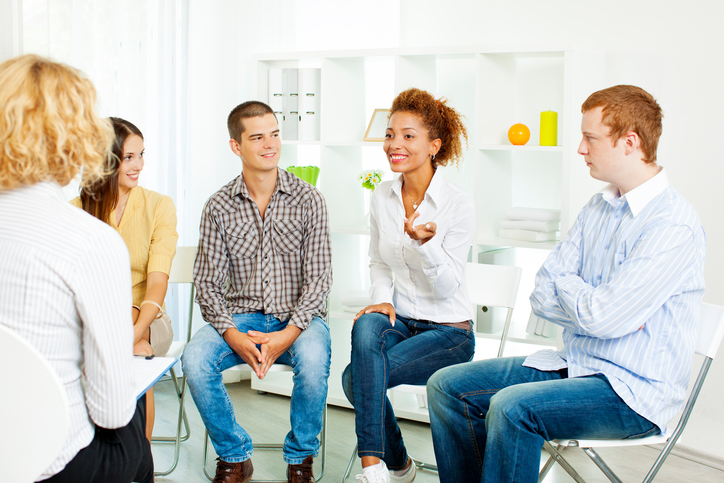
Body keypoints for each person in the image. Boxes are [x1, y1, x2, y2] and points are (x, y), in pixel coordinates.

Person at [427, 85, 706, 483]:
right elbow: (542, 292)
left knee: (511, 408)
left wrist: (576, 293)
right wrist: (590, 302)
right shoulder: (598, 207)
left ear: (630, 143)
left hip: (633, 393)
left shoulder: (671, 224)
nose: (580, 148)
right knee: (446, 385)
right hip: (577, 366)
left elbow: (603, 318)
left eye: (590, 138)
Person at [0, 54, 153, 482]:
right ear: (78, 136)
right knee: (132, 424)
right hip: (49, 460)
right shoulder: (90, 240)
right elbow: (109, 410)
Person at [182, 100, 332, 483]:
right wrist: (231, 333)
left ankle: (300, 460)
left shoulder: (309, 199)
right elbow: (208, 283)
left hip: (300, 317)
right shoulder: (218, 206)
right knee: (195, 361)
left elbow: (319, 281)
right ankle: (234, 456)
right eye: (258, 137)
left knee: (313, 363)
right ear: (236, 146)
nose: (271, 145)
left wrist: (287, 334)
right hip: (242, 317)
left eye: (275, 134)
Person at [343, 88, 476, 483]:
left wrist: (428, 244)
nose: (394, 144)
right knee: (367, 322)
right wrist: (382, 300)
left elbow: (448, 290)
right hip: (402, 321)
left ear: (434, 145)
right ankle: (377, 466)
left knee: (357, 379)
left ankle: (391, 467)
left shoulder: (457, 203)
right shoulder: (382, 196)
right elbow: (378, 261)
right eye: (389, 134)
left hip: (448, 332)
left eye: (407, 135)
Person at [72, 117, 178, 441]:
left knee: (136, 346)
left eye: (142, 154)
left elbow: (157, 283)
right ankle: (135, 462)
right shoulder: (77, 210)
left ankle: (136, 455)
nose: (139, 165)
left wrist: (132, 329)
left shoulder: (159, 206)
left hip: (149, 317)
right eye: (129, 157)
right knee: (135, 351)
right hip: (96, 320)